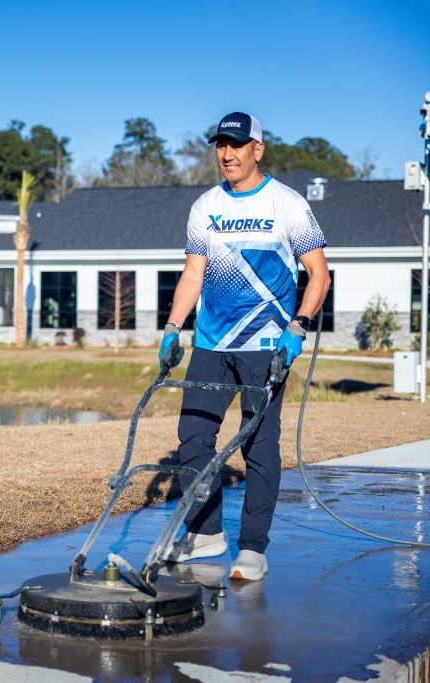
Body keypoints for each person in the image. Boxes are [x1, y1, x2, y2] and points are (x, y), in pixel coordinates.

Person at [159, 112, 330, 581]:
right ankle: (206, 532)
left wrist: (298, 328)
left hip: (267, 344)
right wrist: (174, 327)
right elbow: (194, 274)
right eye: (220, 145)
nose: (227, 154)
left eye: (237, 145)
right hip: (212, 343)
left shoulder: (288, 204)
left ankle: (253, 548)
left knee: (258, 446)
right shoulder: (204, 207)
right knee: (193, 438)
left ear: (258, 149)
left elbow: (319, 274)